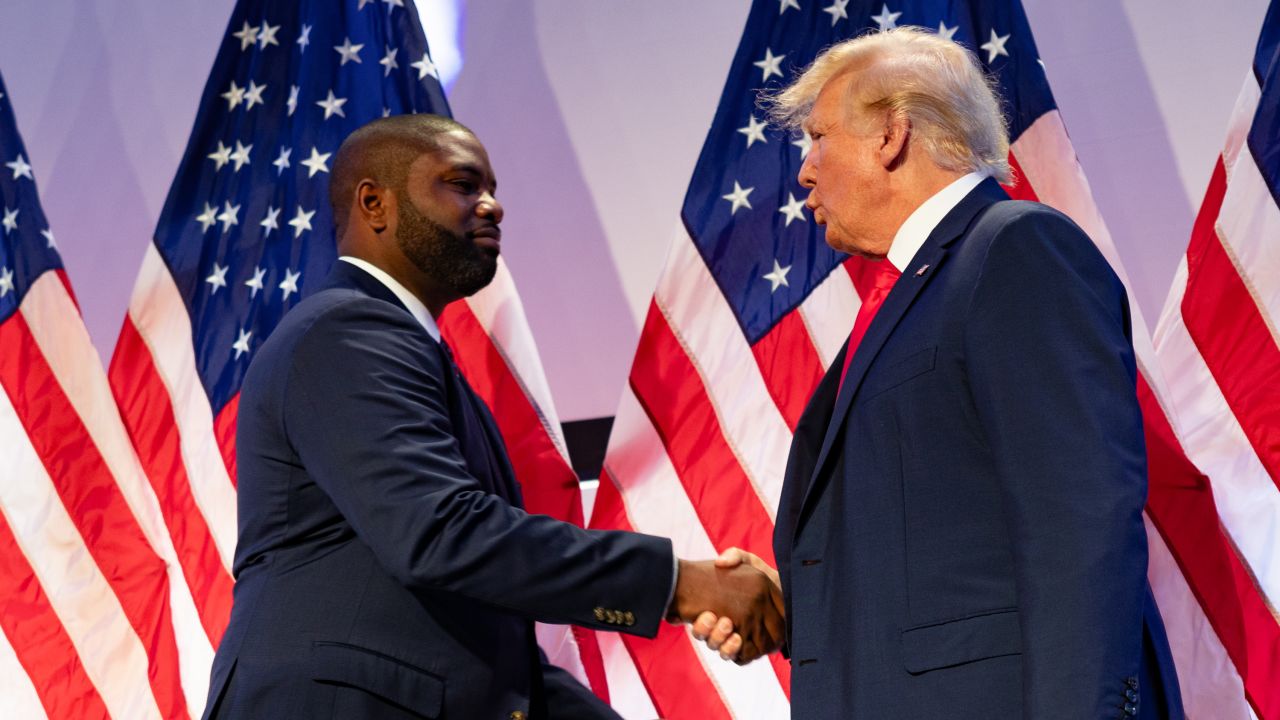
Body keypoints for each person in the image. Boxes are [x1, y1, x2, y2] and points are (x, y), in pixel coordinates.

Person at [201, 114, 784, 720]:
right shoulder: (347, 331)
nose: (493, 206)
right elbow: (443, 533)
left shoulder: (413, 355)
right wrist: (677, 582)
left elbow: (482, 631)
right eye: (463, 184)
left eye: (494, 190)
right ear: (375, 203)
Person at [693, 27, 1183, 719]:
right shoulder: (912, 295)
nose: (804, 171)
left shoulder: (1015, 250)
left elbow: (1079, 526)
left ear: (890, 135)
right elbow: (944, 563)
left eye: (818, 138)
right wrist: (787, 608)